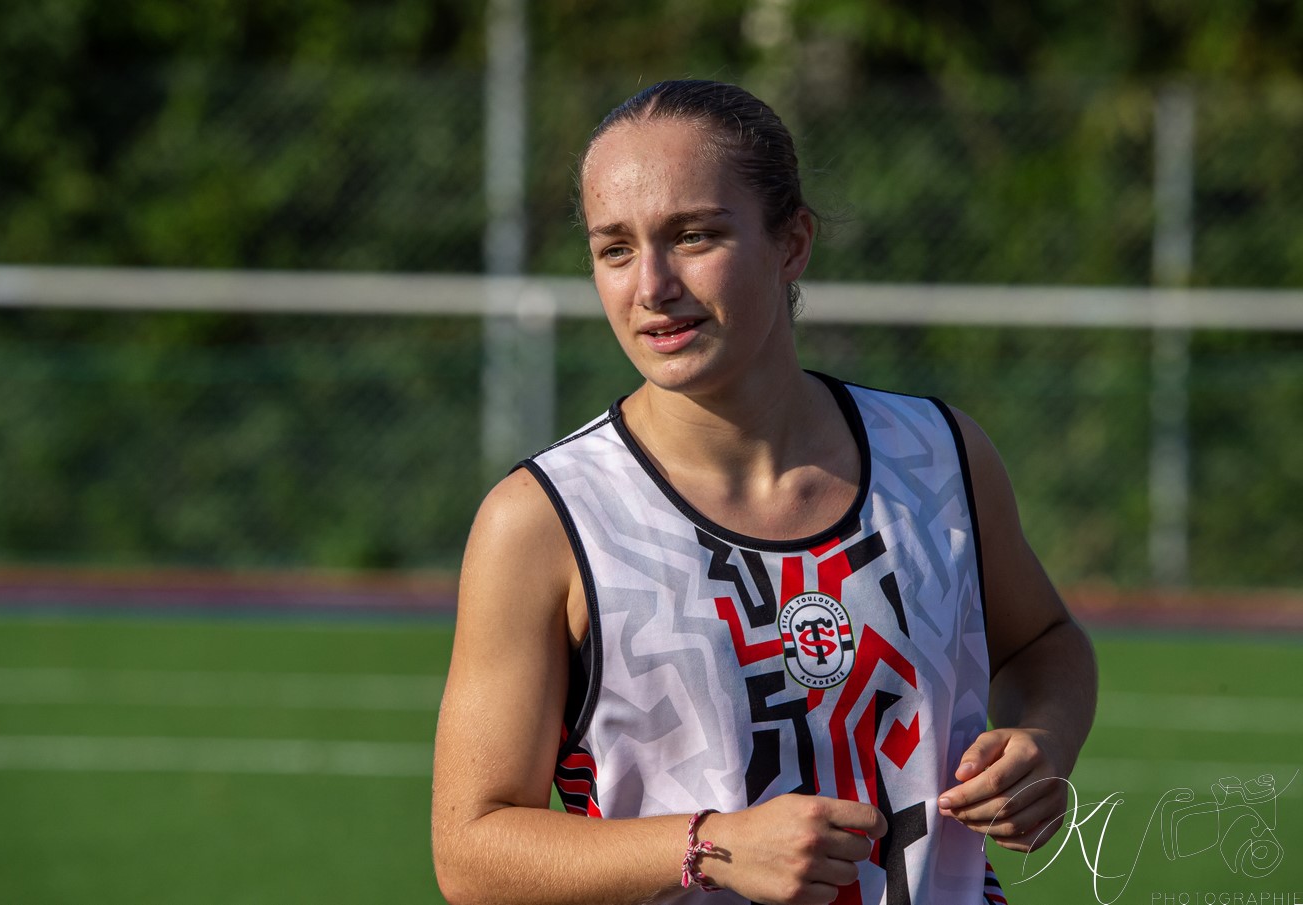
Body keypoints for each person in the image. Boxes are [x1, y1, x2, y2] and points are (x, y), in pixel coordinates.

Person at [431, 79, 1097, 905]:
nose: (651, 286)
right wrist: (706, 846)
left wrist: (1044, 740)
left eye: (694, 235)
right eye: (615, 249)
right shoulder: (541, 521)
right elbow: (472, 850)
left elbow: (1045, 642)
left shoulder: (942, 455)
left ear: (793, 242)